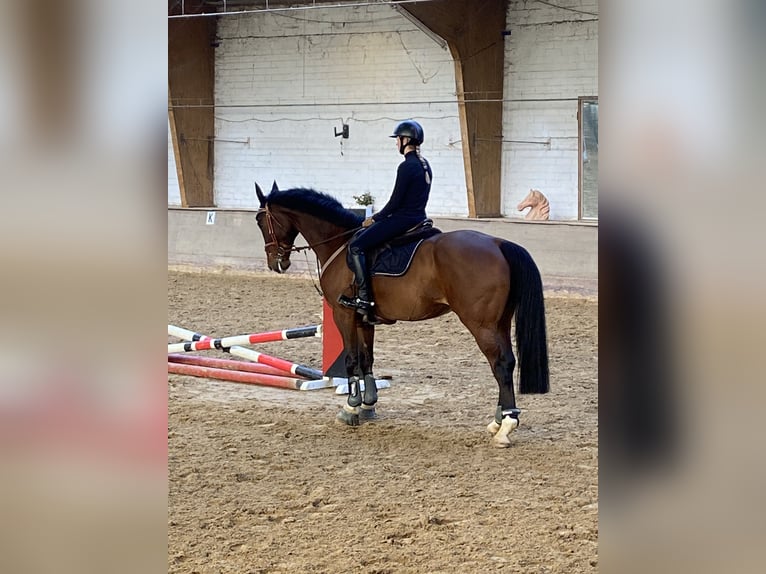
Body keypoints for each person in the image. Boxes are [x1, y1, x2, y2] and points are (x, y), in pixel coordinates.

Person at [339, 119, 433, 324]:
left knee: (356, 245)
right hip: (419, 217)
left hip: (403, 219)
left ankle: (364, 298)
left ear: (406, 139)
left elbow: (395, 202)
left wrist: (374, 219)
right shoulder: (425, 165)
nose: (396, 143)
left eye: (398, 139)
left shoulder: (407, 166)